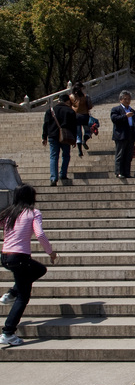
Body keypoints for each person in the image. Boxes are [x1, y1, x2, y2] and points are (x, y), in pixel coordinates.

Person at [1, 185, 58, 346]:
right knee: (23, 297)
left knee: (39, 269)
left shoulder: (10, 213)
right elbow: (39, 233)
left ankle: (11, 292)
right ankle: (8, 332)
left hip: (6, 256)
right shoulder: (33, 213)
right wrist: (51, 253)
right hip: (20, 257)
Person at [42, 93, 77, 186]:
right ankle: (63, 174)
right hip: (66, 137)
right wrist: (74, 139)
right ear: (67, 101)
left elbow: (45, 124)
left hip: (53, 136)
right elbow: (74, 126)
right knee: (66, 155)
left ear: (58, 101)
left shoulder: (50, 111)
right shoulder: (70, 111)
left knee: (54, 156)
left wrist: (44, 137)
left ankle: (53, 178)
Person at [110, 90, 135, 180]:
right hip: (121, 135)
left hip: (130, 134)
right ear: (121, 99)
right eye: (125, 99)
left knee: (129, 155)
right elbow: (114, 119)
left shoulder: (132, 111)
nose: (127, 101)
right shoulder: (116, 109)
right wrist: (125, 116)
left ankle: (127, 172)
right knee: (120, 154)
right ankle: (118, 172)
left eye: (129, 99)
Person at [69, 85, 93, 157]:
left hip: (75, 116)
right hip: (85, 116)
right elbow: (90, 106)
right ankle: (84, 141)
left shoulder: (70, 97)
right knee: (88, 131)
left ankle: (80, 151)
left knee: (78, 134)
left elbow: (69, 105)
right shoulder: (86, 96)